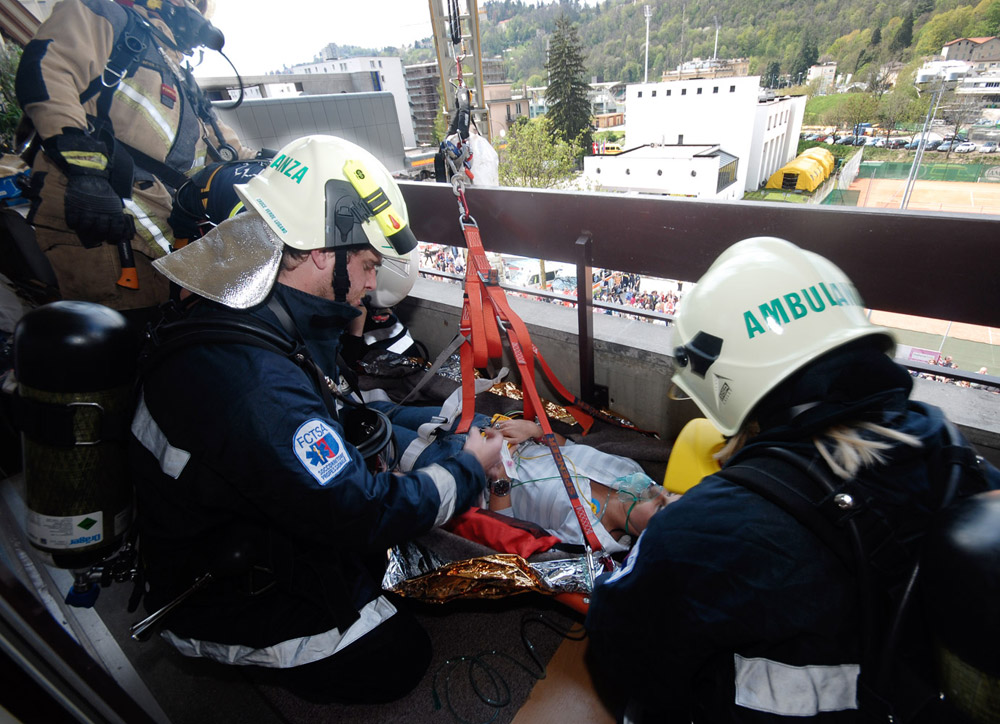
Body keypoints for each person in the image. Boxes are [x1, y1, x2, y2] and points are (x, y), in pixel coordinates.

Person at [129, 134, 504, 704]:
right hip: (226, 588)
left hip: (229, 525)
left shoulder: (241, 308)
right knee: (403, 657)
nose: (373, 287)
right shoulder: (257, 385)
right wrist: (469, 469)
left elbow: (328, 419)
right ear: (319, 252)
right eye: (368, 264)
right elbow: (358, 511)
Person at [585, 237, 999, 722]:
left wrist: (677, 540)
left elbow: (616, 649)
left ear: (724, 388)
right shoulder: (944, 444)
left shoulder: (697, 532)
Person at [14, 0, 256, 320]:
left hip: (165, 238)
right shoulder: (102, 14)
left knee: (178, 343)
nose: (198, 17)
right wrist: (86, 173)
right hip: (103, 229)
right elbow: (47, 74)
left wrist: (281, 167)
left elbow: (222, 146)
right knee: (122, 346)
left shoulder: (174, 68)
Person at [486, 417, 677, 552]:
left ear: (648, 538)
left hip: (479, 475)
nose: (658, 492)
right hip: (504, 433)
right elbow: (569, 448)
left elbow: (504, 533)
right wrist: (535, 431)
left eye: (660, 507)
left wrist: (500, 481)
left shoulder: (582, 542)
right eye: (669, 493)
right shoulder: (629, 469)